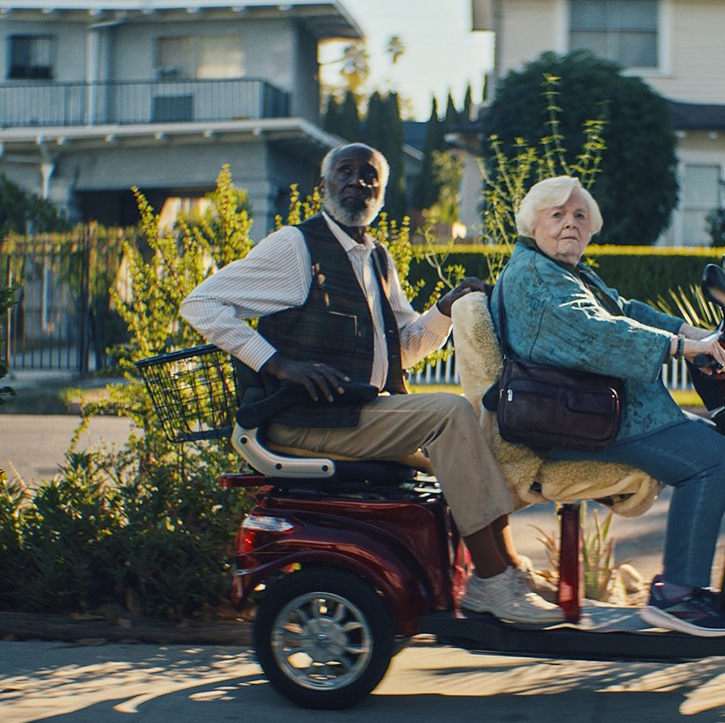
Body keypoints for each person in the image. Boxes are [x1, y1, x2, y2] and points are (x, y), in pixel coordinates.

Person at [180, 143, 558, 625]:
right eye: (345, 172)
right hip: (305, 419)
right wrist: (278, 364)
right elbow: (201, 304)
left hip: (355, 413)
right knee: (450, 414)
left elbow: (403, 347)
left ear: (381, 193)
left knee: (478, 443)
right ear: (323, 187)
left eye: (370, 175)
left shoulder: (375, 256)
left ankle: (506, 570)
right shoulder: (294, 247)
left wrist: (444, 309)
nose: (358, 181)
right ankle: (491, 583)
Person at [493, 175, 725, 638]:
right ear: (533, 224)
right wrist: (678, 348)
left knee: (721, 440)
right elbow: (594, 333)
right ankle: (679, 595)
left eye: (579, 216)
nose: (569, 224)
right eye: (557, 214)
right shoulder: (535, 278)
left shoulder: (564, 271)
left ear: (590, 231)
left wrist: (691, 333)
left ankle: (688, 584)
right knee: (714, 458)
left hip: (594, 412)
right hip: (572, 422)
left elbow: (622, 309)